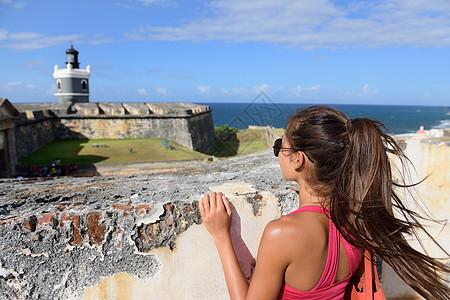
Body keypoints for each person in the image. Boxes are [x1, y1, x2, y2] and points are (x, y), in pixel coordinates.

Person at [199, 106, 449, 300]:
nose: (278, 154)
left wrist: (221, 236)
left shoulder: (283, 233)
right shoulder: (354, 222)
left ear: (298, 160)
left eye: (280, 147)